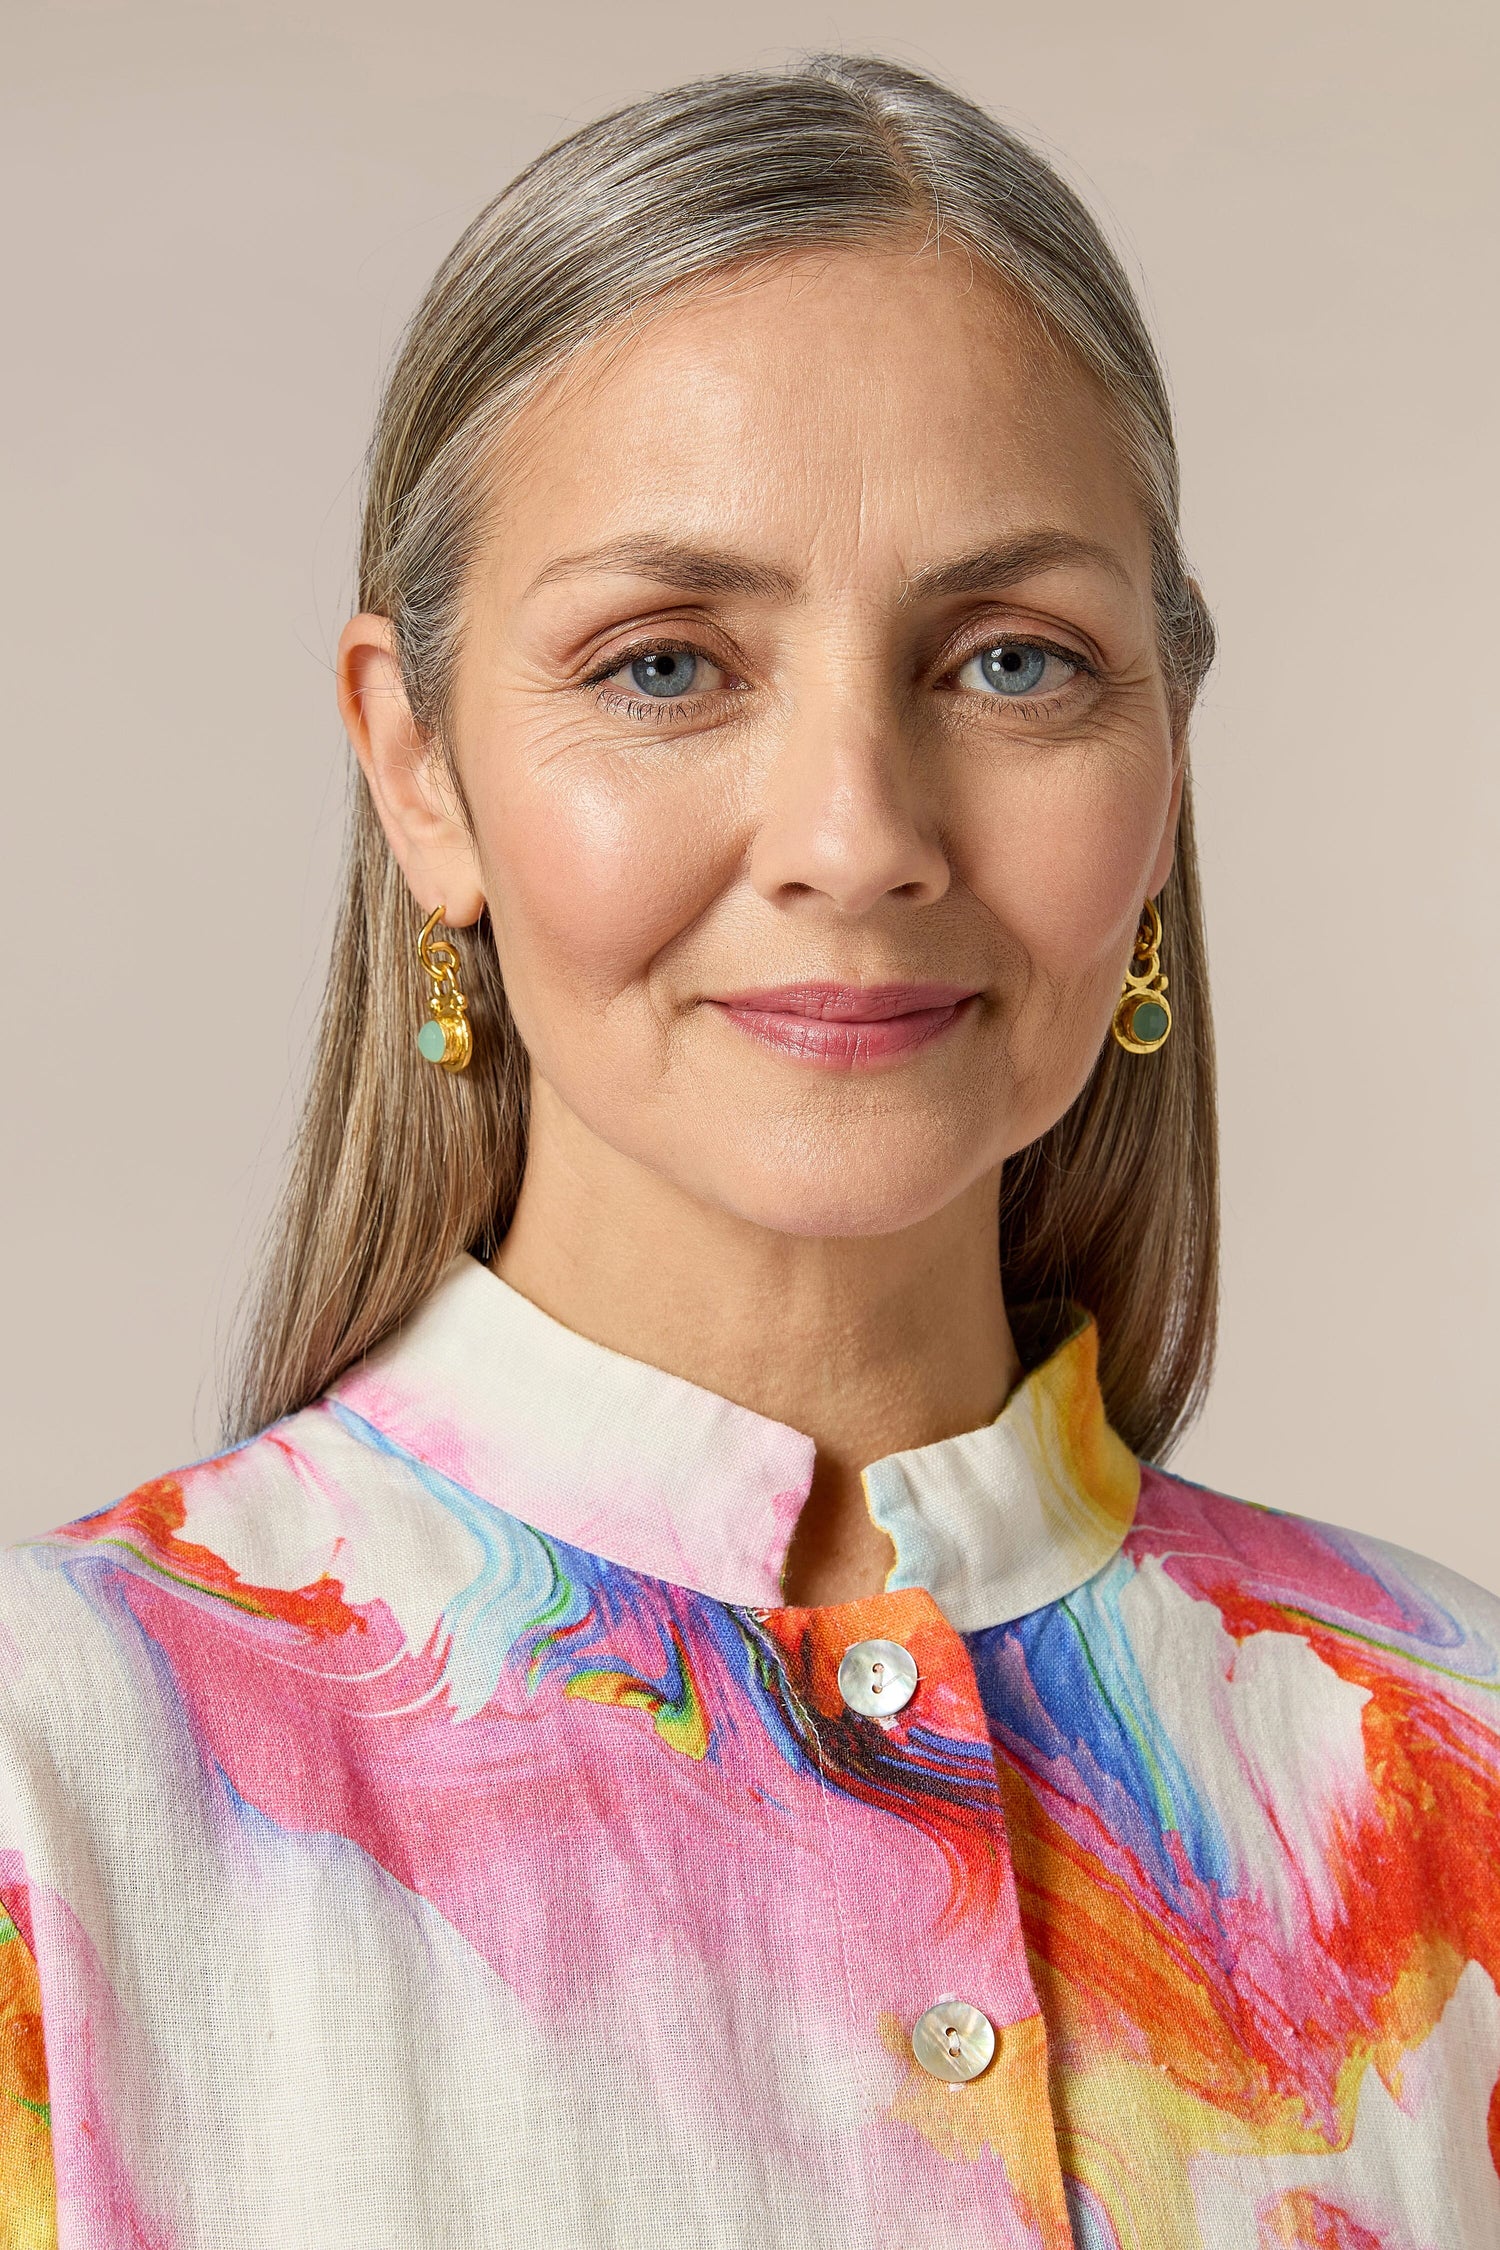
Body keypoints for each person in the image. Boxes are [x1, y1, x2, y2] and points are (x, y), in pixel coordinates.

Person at [2, 52, 1496, 2249]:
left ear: (1164, 761)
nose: (857, 840)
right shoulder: (58, 1791)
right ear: (420, 769)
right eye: (669, 664)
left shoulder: (1454, 1767)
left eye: (1011, 659)